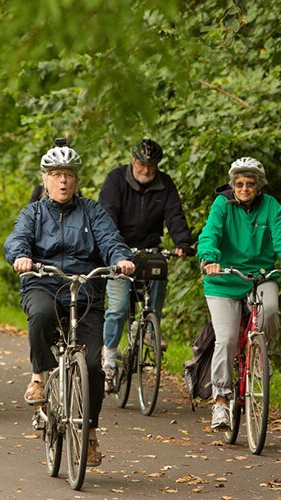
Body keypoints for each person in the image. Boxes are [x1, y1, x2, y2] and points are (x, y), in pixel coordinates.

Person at [4, 140, 134, 467]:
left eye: (69, 175)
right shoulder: (32, 213)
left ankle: (89, 433)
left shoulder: (93, 211)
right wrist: (21, 256)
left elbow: (110, 241)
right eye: (56, 175)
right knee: (41, 315)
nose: (62, 181)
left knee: (91, 366)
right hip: (43, 281)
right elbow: (17, 239)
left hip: (85, 286)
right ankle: (41, 375)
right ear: (45, 179)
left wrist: (121, 259)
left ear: (77, 180)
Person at [198, 156, 281, 431]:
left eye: (251, 184)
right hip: (224, 279)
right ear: (233, 185)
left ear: (259, 186)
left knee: (269, 310)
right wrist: (209, 259)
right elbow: (211, 233)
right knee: (227, 338)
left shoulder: (270, 206)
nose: (245, 189)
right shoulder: (222, 204)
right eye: (240, 184)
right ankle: (220, 400)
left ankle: (259, 352)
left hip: (260, 276)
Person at [97, 138, 192, 390]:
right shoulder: (116, 180)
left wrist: (182, 242)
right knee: (117, 307)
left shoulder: (165, 184)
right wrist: (115, 250)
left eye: (151, 165)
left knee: (159, 269)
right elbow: (106, 217)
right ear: (133, 161)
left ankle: (152, 325)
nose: (146, 170)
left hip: (150, 247)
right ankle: (108, 358)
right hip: (119, 249)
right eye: (141, 164)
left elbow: (174, 215)